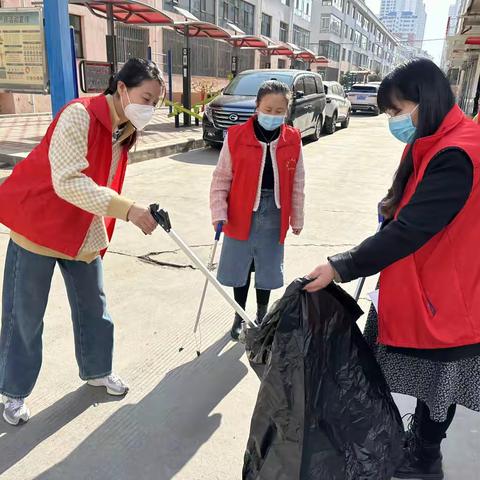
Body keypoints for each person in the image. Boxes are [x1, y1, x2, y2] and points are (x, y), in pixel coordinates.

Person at [305, 58, 480, 480]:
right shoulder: (437, 138)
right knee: (431, 383)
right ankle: (420, 445)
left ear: (427, 101)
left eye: (397, 110)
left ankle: (424, 460)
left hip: (447, 294)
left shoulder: (458, 152)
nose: (393, 120)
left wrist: (340, 265)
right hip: (428, 283)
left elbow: (411, 231)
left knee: (440, 384)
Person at [0, 58, 164, 426]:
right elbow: (68, 181)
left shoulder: (123, 128)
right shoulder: (79, 114)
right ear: (122, 88)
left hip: (83, 230)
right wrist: (128, 210)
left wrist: (118, 213)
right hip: (38, 225)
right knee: (23, 316)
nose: (150, 108)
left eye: (156, 102)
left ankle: (97, 370)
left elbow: (102, 179)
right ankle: (12, 392)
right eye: (146, 97)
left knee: (94, 307)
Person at [210, 80, 305, 340]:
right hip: (240, 211)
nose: (272, 115)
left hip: (274, 212)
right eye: (268, 109)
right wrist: (219, 212)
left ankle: (262, 315)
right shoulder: (236, 136)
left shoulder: (293, 139)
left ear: (287, 110)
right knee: (240, 267)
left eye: (279, 111)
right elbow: (221, 179)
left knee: (267, 267)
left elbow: (297, 182)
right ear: (257, 107)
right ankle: (239, 314)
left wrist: (297, 216)